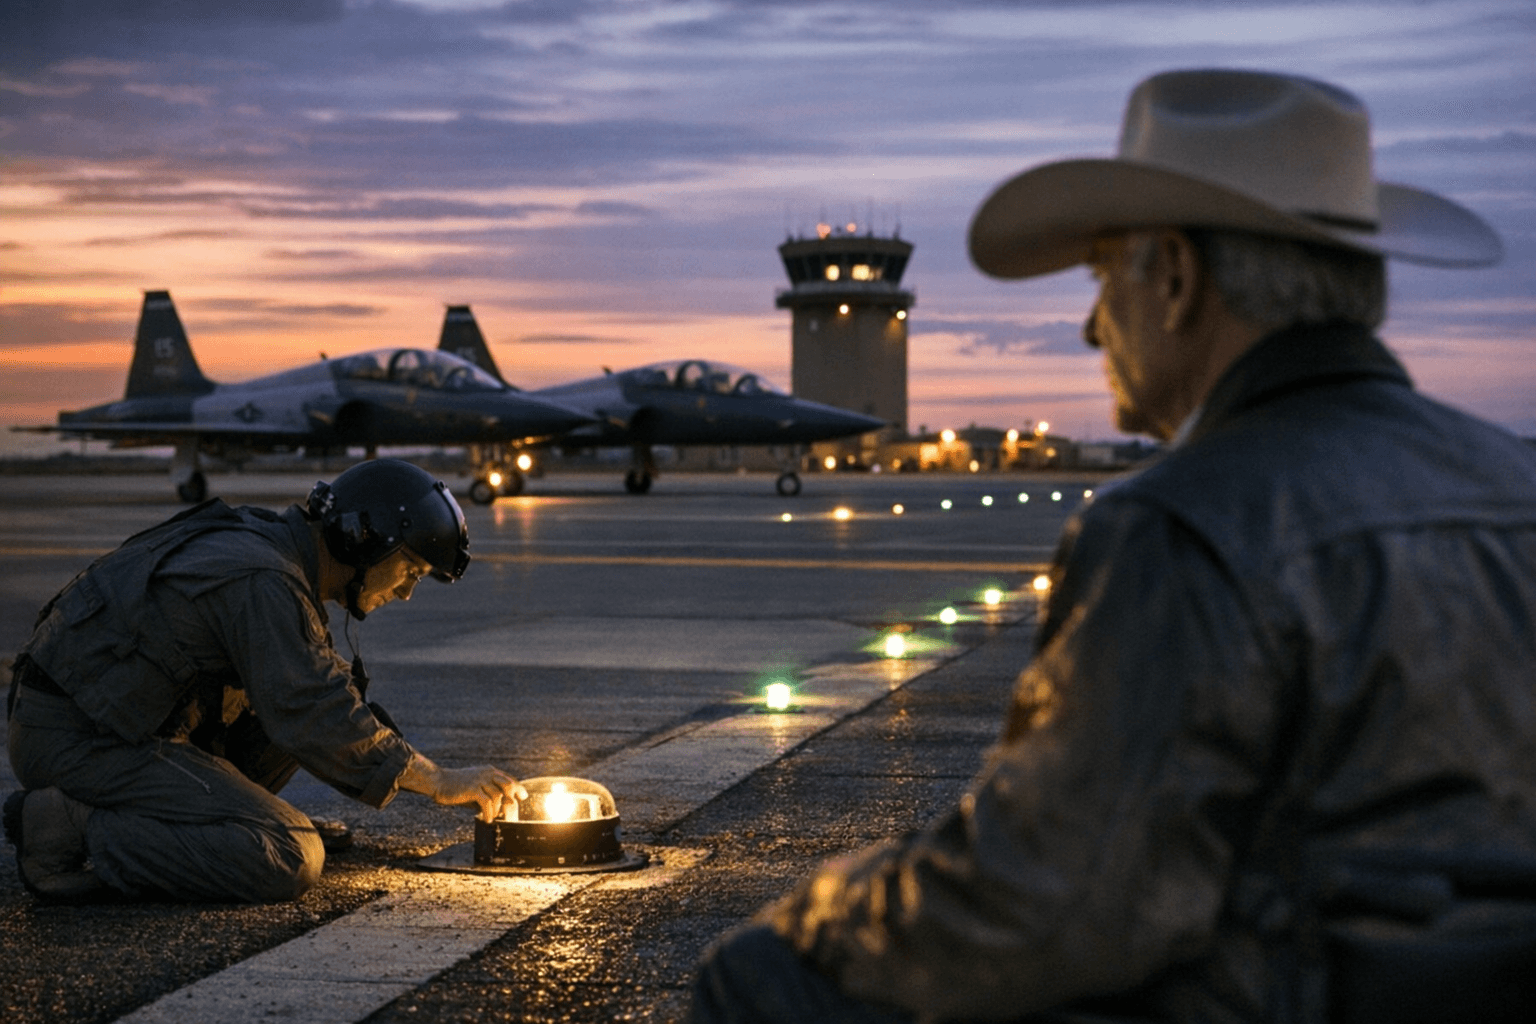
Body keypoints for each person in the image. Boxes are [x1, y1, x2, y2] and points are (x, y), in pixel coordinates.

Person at [690, 69, 1536, 1023]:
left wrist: (830, 906)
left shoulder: (1180, 522)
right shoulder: (1516, 480)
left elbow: (1044, 904)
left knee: (761, 974)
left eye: (1101, 278)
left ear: (1173, 278)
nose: (1093, 326)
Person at [5, 458, 526, 903]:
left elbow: (317, 691)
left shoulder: (274, 551)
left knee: (311, 697)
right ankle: (67, 828)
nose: (407, 592)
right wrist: (437, 779)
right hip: (81, 741)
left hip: (119, 720)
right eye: (410, 571)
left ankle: (232, 821)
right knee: (288, 854)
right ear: (362, 539)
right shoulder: (265, 577)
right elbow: (313, 709)